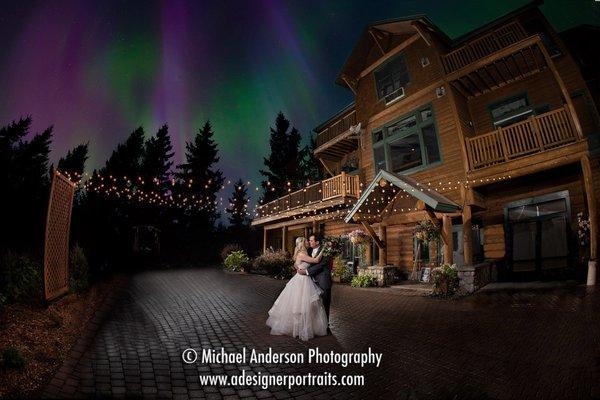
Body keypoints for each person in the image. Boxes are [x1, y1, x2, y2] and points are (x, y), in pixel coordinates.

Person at [266, 237, 328, 341]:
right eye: (306, 241)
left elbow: (296, 265)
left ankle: (301, 328)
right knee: (301, 305)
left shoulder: (301, 253)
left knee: (302, 305)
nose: (308, 242)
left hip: (302, 278)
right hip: (302, 280)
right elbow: (316, 260)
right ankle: (300, 329)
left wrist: (301, 268)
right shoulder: (302, 254)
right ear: (303, 243)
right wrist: (324, 249)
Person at [297, 234, 332, 333]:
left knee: (324, 303)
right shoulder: (308, 251)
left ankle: (325, 326)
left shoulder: (326, 250)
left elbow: (321, 264)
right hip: (310, 281)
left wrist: (306, 272)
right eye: (309, 240)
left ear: (317, 242)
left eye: (311, 240)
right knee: (312, 304)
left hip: (323, 280)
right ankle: (314, 324)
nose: (309, 242)